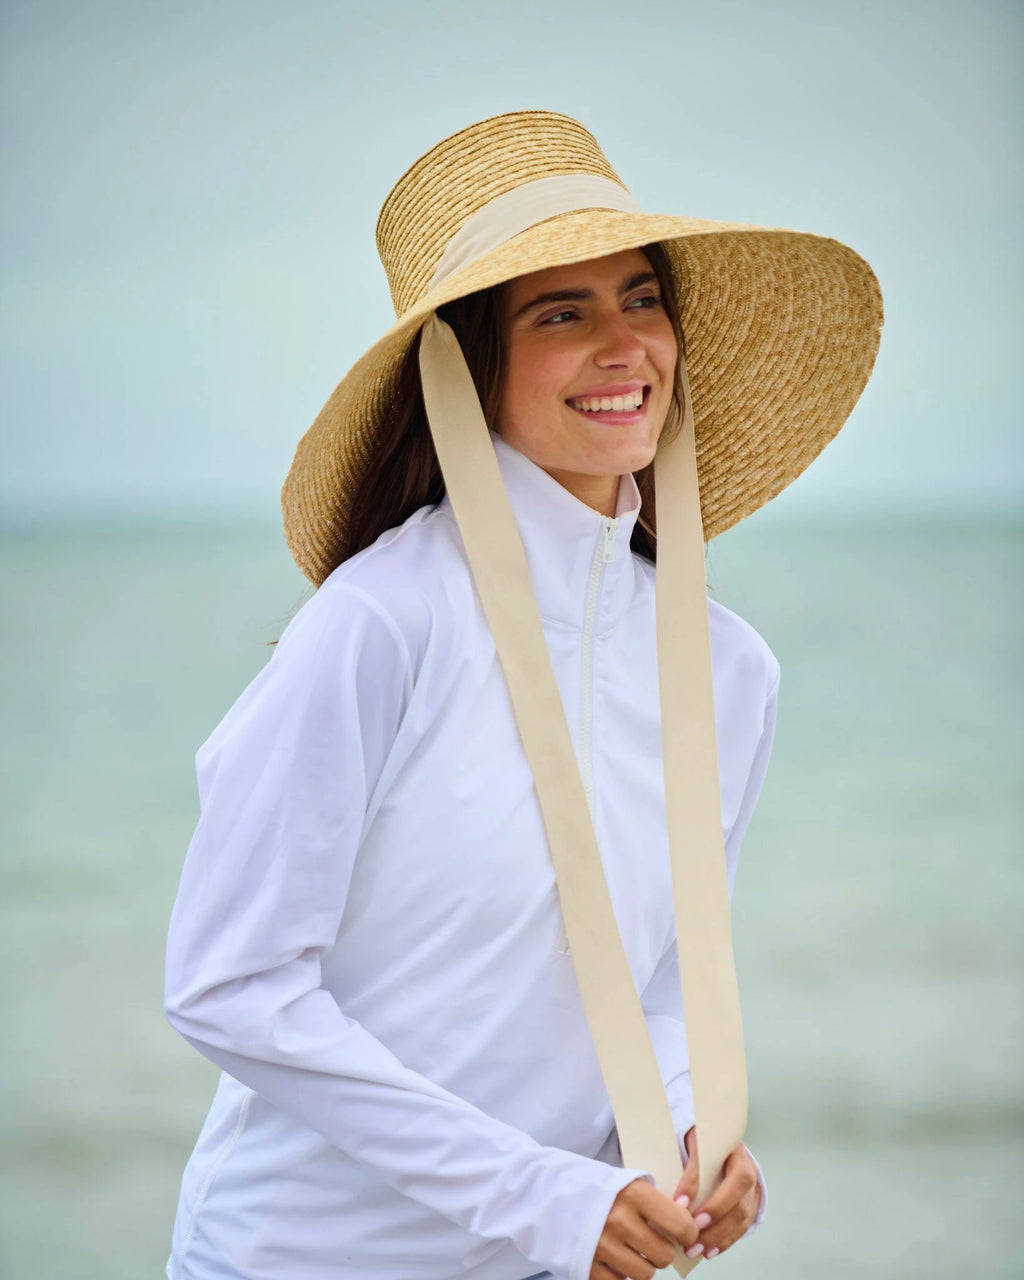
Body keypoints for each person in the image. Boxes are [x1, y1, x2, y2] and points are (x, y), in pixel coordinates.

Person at [164, 111, 882, 1280]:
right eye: (561, 312)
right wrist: (540, 1194)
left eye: (641, 298)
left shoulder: (727, 668)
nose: (623, 345)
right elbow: (229, 985)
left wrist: (695, 1122)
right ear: (464, 361)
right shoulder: (380, 622)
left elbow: (657, 981)